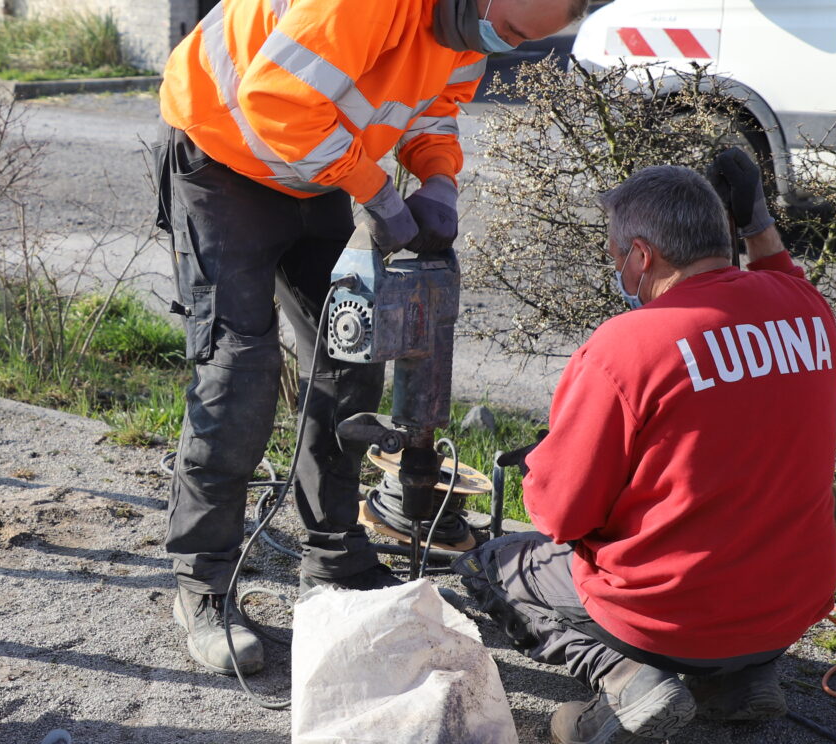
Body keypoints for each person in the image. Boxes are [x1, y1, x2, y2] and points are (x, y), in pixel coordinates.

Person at [154, 0, 586, 676]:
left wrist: (438, 177)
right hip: (224, 153)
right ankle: (204, 584)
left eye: (522, 41)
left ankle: (333, 559)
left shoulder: (471, 24)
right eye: (506, 29)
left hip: (310, 164)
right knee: (239, 368)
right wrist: (377, 194)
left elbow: (432, 104)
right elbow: (274, 101)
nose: (500, 45)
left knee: (351, 358)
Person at [455, 154, 836, 743]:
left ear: (640, 257)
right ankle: (740, 680)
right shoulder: (810, 315)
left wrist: (548, 463)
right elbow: (782, 276)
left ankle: (627, 677)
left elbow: (560, 517)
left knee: (489, 566)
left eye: (617, 257)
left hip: (670, 614)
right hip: (789, 608)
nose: (618, 269)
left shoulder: (626, 347)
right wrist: (758, 224)